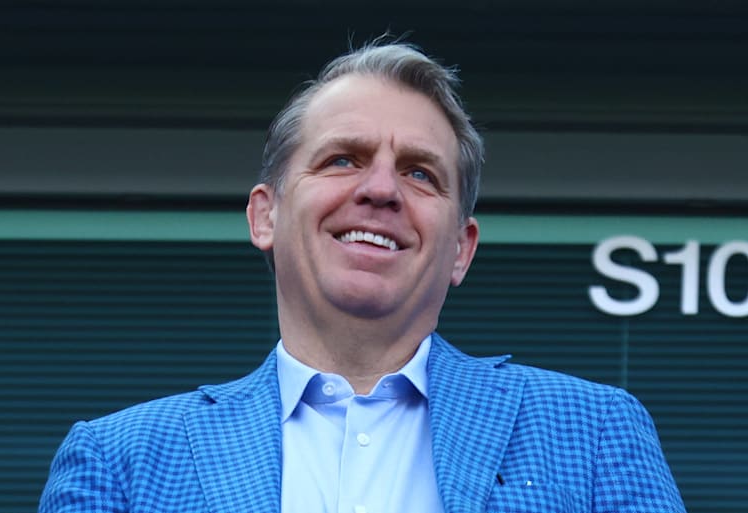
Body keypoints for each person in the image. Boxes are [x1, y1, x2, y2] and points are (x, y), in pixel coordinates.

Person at [39, 40, 686, 513]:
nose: (380, 189)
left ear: (461, 250)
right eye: (343, 159)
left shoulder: (594, 433)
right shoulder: (119, 462)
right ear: (265, 216)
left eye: (419, 173)